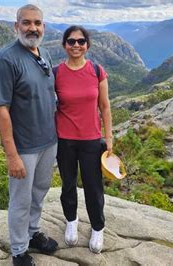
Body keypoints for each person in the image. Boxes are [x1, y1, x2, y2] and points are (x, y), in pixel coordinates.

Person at [0, 4, 58, 266]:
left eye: (37, 23)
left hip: (48, 141)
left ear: (43, 26)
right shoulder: (6, 59)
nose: (33, 28)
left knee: (39, 192)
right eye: (27, 23)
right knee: (20, 199)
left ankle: (32, 233)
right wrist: (12, 155)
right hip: (24, 147)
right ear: (16, 26)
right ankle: (19, 250)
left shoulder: (45, 53)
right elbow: (1, 109)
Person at [53, 25, 113, 254]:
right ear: (64, 45)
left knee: (93, 186)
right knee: (68, 184)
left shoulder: (97, 71)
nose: (76, 45)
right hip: (64, 139)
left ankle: (98, 227)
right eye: (71, 41)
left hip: (91, 140)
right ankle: (71, 221)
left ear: (87, 45)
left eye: (80, 41)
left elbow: (105, 107)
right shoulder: (57, 73)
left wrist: (109, 138)